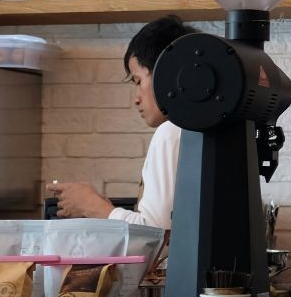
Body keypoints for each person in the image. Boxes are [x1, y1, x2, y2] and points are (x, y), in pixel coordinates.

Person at [48, 17, 190, 228]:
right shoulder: (192, 131)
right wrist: (105, 209)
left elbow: (155, 234)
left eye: (138, 81)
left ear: (165, 74)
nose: (136, 98)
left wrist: (92, 206)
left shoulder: (171, 133)